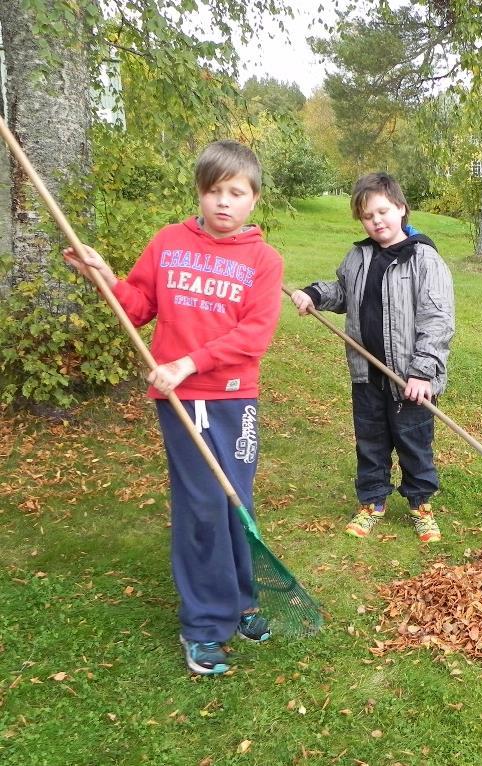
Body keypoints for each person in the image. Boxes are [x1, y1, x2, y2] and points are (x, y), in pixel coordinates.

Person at [63, 140, 283, 676]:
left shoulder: (263, 260)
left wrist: (190, 361)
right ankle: (205, 625)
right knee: (202, 505)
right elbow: (138, 307)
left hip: (234, 399)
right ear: (200, 193)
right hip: (181, 401)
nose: (223, 203)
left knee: (235, 502)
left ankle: (242, 601)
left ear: (253, 200)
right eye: (214, 191)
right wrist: (106, 278)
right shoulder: (168, 243)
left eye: (236, 193)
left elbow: (254, 336)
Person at [291, 172, 454, 543]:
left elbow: (438, 320)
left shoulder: (423, 259)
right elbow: (343, 292)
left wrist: (422, 372)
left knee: (414, 443)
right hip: (367, 374)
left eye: (383, 211)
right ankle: (372, 502)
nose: (376, 221)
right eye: (368, 216)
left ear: (401, 209)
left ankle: (420, 505)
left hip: (410, 380)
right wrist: (314, 295)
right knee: (371, 442)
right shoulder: (359, 256)